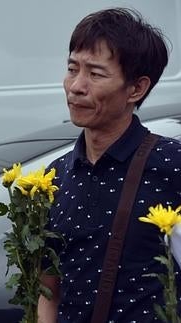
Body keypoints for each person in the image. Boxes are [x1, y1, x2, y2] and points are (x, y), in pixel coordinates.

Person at [38, 8, 180, 322]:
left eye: (95, 74)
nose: (76, 86)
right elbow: (49, 291)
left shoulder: (172, 165)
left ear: (136, 88)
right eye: (72, 69)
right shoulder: (54, 177)